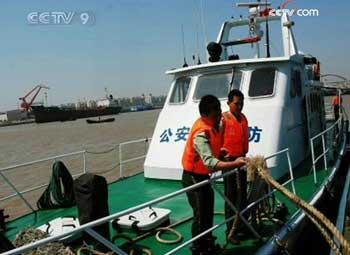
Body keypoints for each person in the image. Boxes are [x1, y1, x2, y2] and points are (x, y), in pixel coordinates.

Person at [182, 94, 246, 255]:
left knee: (208, 210)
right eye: (214, 115)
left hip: (203, 177)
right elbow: (210, 163)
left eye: (219, 113)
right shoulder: (201, 133)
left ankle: (208, 243)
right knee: (199, 214)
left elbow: (213, 152)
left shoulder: (214, 125)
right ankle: (198, 248)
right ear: (204, 115)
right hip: (192, 178)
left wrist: (220, 152)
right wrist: (235, 163)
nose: (219, 118)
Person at [221, 89, 249, 244]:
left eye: (242, 103)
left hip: (242, 160)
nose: (240, 106)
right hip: (229, 162)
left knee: (242, 194)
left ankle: (242, 225)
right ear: (229, 103)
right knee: (230, 196)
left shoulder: (243, 118)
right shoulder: (223, 119)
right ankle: (230, 231)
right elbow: (217, 139)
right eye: (237, 103)